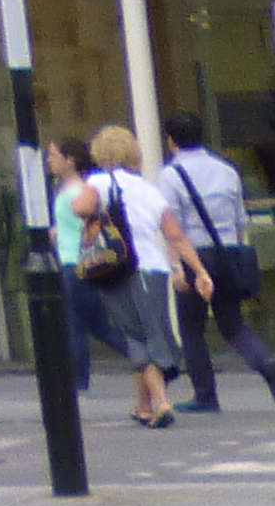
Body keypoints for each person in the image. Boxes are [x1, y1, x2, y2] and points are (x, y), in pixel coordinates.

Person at [157, 109, 275, 412]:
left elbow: (172, 227)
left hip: (194, 255)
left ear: (171, 141)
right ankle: (266, 362)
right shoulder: (226, 169)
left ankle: (205, 394)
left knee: (191, 327)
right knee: (233, 323)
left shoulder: (170, 175)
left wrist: (177, 266)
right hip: (228, 251)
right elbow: (240, 219)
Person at [71, 124, 199, 431]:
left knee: (135, 337)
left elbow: (80, 207)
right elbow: (174, 235)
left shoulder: (99, 181)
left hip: (119, 268)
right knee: (153, 331)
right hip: (154, 270)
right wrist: (198, 271)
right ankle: (143, 405)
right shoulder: (147, 188)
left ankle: (162, 402)